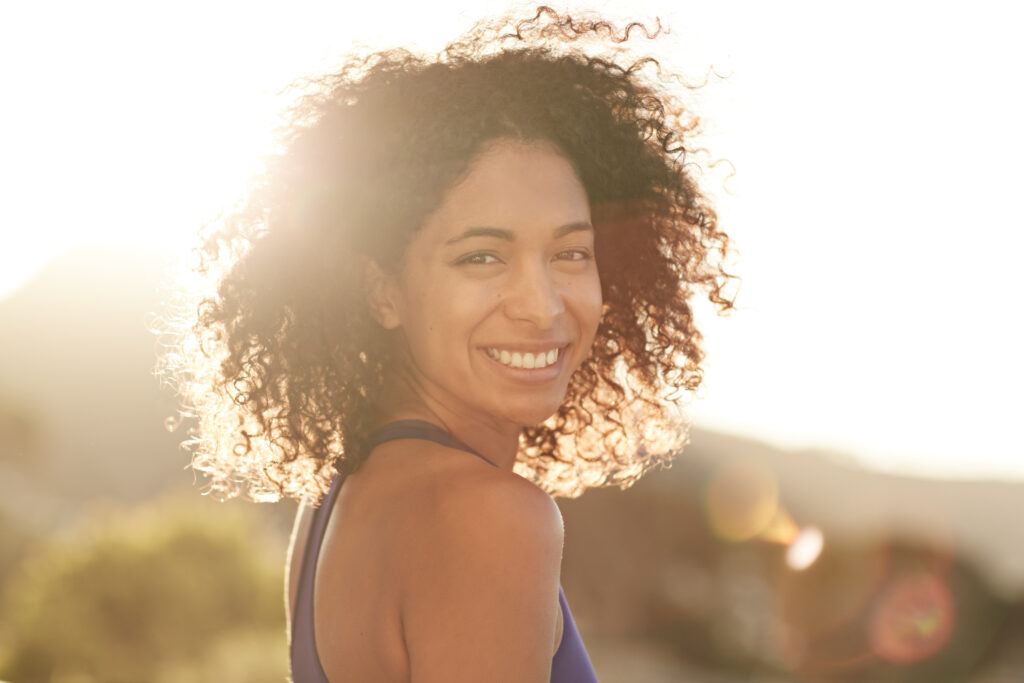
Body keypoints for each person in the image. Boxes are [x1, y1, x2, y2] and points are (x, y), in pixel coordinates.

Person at [164, 6, 734, 682]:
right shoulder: (490, 518)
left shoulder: (333, 501)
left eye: (571, 251)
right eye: (482, 258)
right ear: (383, 290)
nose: (543, 304)